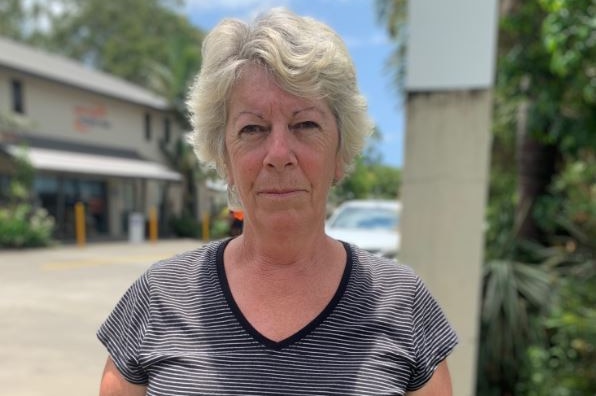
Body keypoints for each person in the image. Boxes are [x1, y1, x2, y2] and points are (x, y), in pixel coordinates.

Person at [98, 8, 458, 396]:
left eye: (306, 125)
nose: (279, 153)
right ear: (225, 159)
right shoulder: (158, 297)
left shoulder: (403, 303)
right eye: (253, 128)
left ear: (341, 151)